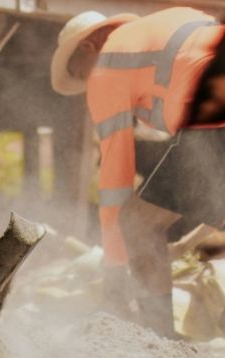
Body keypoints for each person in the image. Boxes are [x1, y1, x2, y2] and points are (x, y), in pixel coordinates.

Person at [51, 8, 225, 337]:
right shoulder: (166, 26)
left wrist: (114, 271)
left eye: (80, 72)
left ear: (89, 46)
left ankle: (160, 342)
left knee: (137, 223)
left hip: (215, 111)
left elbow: (116, 180)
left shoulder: (106, 66)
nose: (87, 83)